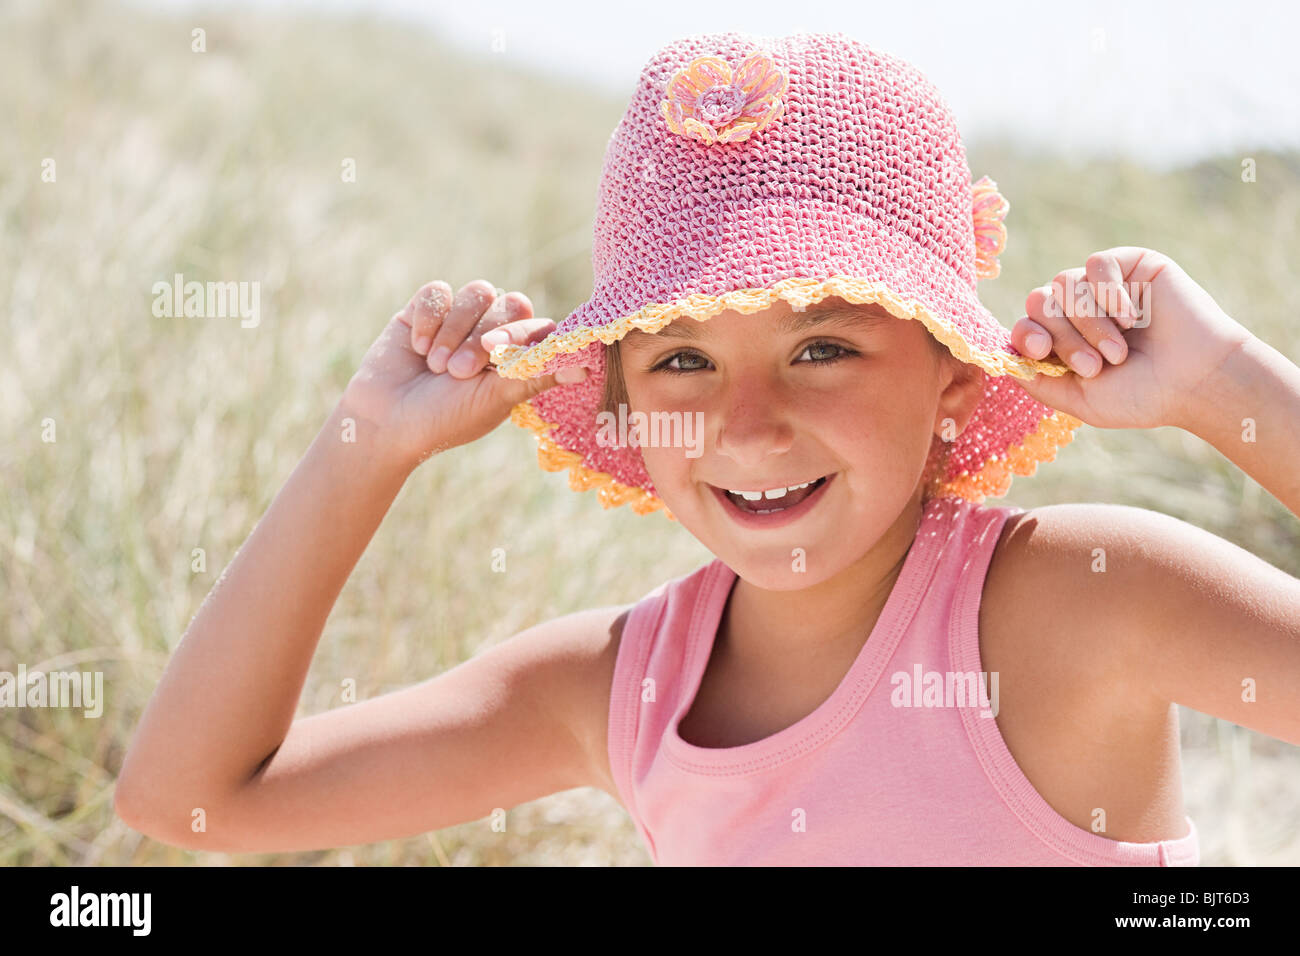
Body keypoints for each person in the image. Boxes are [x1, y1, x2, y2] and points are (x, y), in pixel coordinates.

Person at [114, 31, 1300, 865]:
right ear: (622, 402)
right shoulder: (618, 693)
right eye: (681, 360)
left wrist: (1226, 385)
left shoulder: (1082, 601)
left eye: (823, 346)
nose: (747, 424)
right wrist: (363, 449)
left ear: (949, 366)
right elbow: (193, 796)